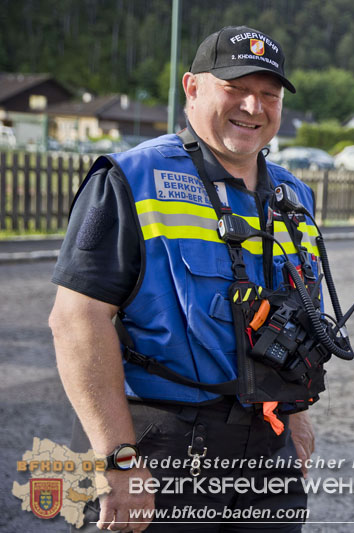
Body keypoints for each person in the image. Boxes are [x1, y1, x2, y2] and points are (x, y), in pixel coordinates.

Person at [49, 26, 327, 532]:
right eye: (235, 88)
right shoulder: (131, 179)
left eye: (269, 94)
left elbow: (296, 322)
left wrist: (298, 419)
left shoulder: (295, 197)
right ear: (192, 88)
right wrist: (118, 460)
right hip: (164, 447)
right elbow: (77, 321)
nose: (253, 106)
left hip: (269, 450)